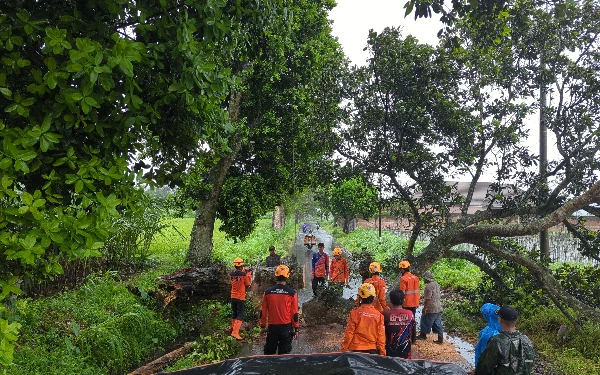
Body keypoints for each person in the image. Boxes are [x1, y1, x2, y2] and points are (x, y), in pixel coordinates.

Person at [475, 305, 535, 375]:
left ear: (500, 320)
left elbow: (484, 367)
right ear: (516, 320)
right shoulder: (526, 340)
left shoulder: (497, 341)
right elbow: (529, 363)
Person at [260, 264, 300, 355]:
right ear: (287, 276)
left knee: (269, 354)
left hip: (272, 327)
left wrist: (262, 326)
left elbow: (263, 311)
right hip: (286, 328)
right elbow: (294, 313)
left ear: (276, 275)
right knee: (284, 355)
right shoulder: (292, 293)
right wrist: (296, 328)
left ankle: (270, 369)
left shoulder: (268, 292)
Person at [341, 283, 386, 356]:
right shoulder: (379, 316)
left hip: (355, 349)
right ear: (373, 298)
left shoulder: (354, 313)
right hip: (372, 351)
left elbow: (349, 333)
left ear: (360, 297)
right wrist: (382, 353)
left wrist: (343, 349)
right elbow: (381, 337)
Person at [382, 289, 415, 359]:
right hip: (405, 350)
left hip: (389, 350)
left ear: (390, 301)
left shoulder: (385, 314)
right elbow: (411, 329)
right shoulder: (410, 314)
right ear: (403, 300)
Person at [416, 270, 443, 344]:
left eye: (424, 278)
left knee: (424, 320)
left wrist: (425, 308)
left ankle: (423, 335)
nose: (423, 279)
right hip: (438, 307)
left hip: (431, 308)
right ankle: (440, 339)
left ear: (427, 279)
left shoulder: (428, 287)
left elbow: (428, 299)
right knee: (437, 323)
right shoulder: (436, 284)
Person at [229, 257, 252, 340]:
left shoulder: (231, 274)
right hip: (240, 297)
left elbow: (234, 281)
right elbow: (247, 284)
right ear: (242, 265)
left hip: (233, 296)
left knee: (234, 313)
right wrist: (248, 275)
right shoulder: (244, 275)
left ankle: (234, 329)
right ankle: (235, 333)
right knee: (240, 315)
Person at [399, 260, 420, 343]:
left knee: (405, 321)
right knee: (412, 320)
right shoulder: (416, 278)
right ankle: (413, 339)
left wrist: (399, 303)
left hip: (406, 303)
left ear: (402, 270)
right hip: (414, 303)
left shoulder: (403, 279)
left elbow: (402, 293)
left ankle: (405, 339)